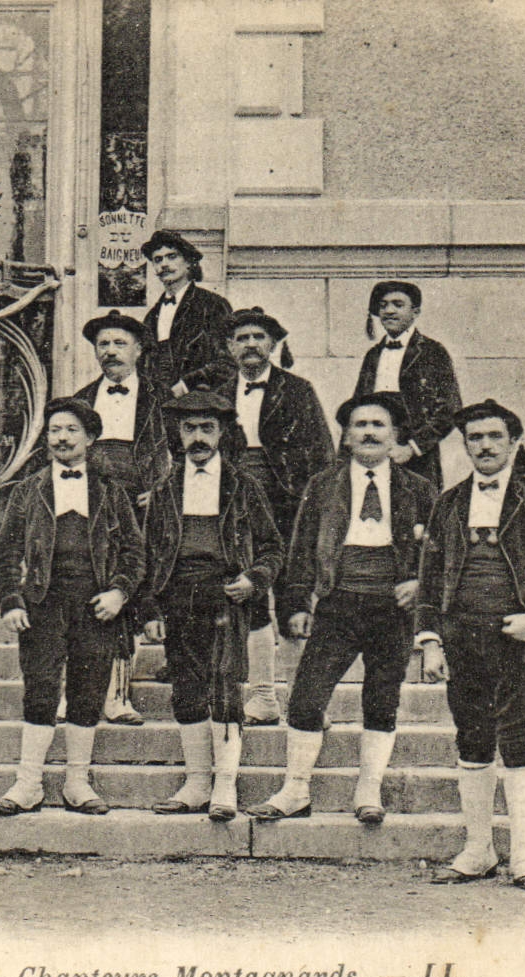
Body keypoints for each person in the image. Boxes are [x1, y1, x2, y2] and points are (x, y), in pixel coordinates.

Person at [247, 393, 436, 824]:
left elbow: (439, 551)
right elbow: (301, 550)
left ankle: (368, 790)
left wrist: (420, 583)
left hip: (393, 606)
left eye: (378, 425)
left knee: (382, 699)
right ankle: (295, 789)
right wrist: (298, 603)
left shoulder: (419, 488)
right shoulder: (323, 485)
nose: (369, 432)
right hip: (338, 603)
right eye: (359, 425)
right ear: (346, 437)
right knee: (307, 698)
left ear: (395, 436)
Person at [419, 400, 525, 892]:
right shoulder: (448, 502)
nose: (485, 446)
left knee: (519, 738)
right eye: (475, 437)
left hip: (518, 638)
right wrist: (430, 641)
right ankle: (479, 849)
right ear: (465, 445)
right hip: (462, 636)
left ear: (513, 442)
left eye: (494, 436)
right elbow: (429, 578)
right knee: (472, 737)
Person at [0, 399, 144, 817]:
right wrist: (11, 601)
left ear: (90, 438)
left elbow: (134, 552)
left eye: (72, 430)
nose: (62, 438)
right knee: (40, 691)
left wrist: (119, 593)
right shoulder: (27, 490)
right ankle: (28, 784)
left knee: (87, 692)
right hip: (43, 603)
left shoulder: (111, 491)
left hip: (96, 606)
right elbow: (7, 554)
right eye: (55, 430)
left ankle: (77, 783)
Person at [139, 390, 284, 821]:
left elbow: (273, 548)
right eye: (189, 428)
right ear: (178, 434)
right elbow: (147, 555)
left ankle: (224, 785)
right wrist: (150, 610)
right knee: (186, 690)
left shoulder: (244, 486)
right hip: (178, 596)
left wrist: (253, 579)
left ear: (222, 433)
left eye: (207, 428)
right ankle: (197, 783)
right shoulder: (164, 490)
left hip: (225, 596)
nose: (198, 437)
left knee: (224, 688)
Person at [205, 307, 334, 725]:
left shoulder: (297, 390)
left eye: (258, 337)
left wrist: (319, 506)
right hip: (236, 501)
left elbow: (323, 453)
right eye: (241, 338)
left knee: (295, 596)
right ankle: (263, 697)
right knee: (252, 594)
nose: (250, 345)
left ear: (273, 344)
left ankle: (305, 700)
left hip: (289, 500)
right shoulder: (218, 394)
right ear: (229, 347)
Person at [72, 310, 173, 726]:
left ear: (139, 349)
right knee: (95, 589)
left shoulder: (162, 398)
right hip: (97, 505)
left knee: (131, 590)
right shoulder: (80, 399)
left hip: (145, 505)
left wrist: (164, 491)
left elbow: (185, 449)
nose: (110, 351)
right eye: (103, 344)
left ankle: (118, 695)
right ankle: (84, 692)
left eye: (119, 343)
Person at [349, 281, 462, 489]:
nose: (389, 311)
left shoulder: (432, 352)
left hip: (418, 459)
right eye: (383, 305)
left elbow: (450, 409)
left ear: (415, 312)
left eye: (398, 304)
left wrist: (412, 448)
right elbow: (357, 406)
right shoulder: (373, 355)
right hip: (374, 454)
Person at [138, 230, 234, 397]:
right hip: (160, 403)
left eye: (172, 257)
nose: (164, 264)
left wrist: (186, 385)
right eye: (158, 260)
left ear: (189, 262)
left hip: (200, 401)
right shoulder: (152, 316)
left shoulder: (212, 305)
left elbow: (228, 361)